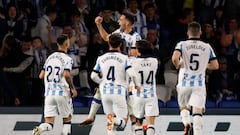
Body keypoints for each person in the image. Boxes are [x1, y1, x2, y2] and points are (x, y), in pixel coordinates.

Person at [80, 12, 141, 133]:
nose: (118, 21)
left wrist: (116, 59)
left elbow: (134, 54)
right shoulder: (118, 32)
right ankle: (92, 116)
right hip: (119, 73)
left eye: (121, 19)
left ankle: (92, 116)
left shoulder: (136, 37)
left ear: (127, 22)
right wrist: (99, 25)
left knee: (132, 112)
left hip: (128, 74)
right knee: (102, 91)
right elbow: (107, 38)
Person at [171, 21, 219, 135]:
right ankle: (197, 132)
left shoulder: (182, 44)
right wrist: (204, 65)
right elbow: (215, 65)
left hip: (184, 83)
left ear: (188, 33)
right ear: (200, 33)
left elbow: (174, 58)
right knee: (198, 111)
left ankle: (186, 123)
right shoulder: (207, 47)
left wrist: (178, 64)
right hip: (198, 84)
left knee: (183, 107)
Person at [90, 33, 140, 135]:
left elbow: (93, 76)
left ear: (109, 43)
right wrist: (137, 84)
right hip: (119, 93)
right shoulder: (125, 58)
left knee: (110, 122)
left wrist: (103, 83)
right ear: (121, 44)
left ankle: (111, 122)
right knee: (122, 122)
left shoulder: (101, 57)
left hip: (105, 94)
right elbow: (132, 74)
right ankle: (114, 120)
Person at [32, 34, 78, 135]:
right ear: (67, 44)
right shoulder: (67, 59)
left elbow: (41, 76)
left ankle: (39, 129)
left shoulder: (49, 58)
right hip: (62, 93)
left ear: (57, 44)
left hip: (49, 94)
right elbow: (66, 74)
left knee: (49, 124)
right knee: (67, 121)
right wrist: (73, 88)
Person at [130, 40, 159, 135]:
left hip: (138, 96)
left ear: (138, 50)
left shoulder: (133, 62)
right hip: (151, 96)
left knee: (138, 123)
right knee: (151, 123)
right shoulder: (155, 61)